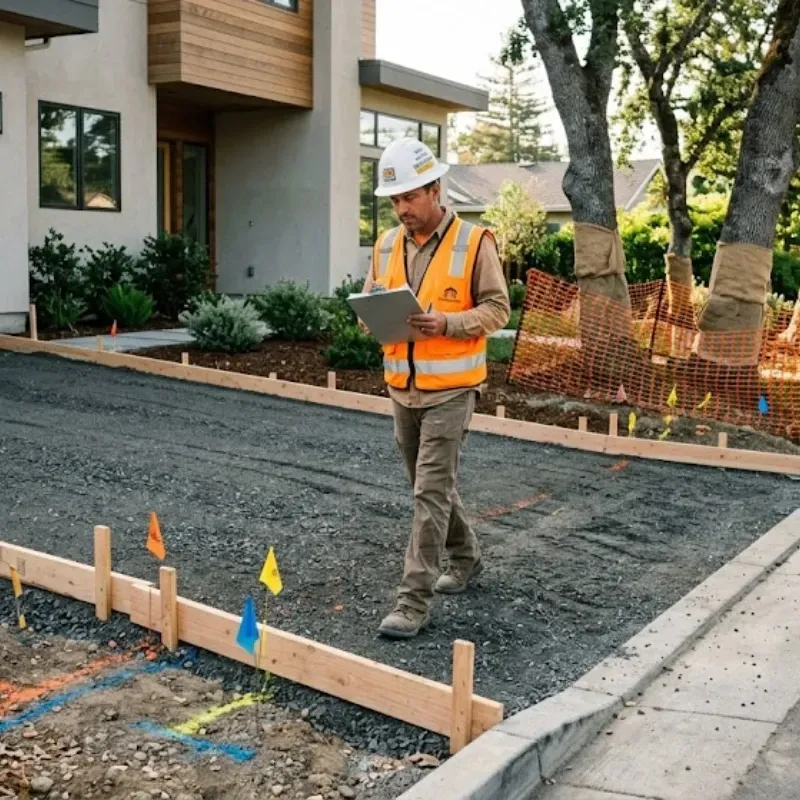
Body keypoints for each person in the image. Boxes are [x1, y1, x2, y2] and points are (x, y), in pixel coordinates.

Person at [360, 138, 510, 639]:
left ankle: (411, 602)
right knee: (430, 487)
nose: (402, 209)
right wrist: (371, 315)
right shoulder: (385, 245)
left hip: (452, 391)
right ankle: (465, 557)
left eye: (410, 197)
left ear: (434, 189)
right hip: (402, 386)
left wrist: (446, 324)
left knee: (428, 493)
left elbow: (497, 309)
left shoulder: (473, 242)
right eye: (395, 200)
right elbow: (373, 299)